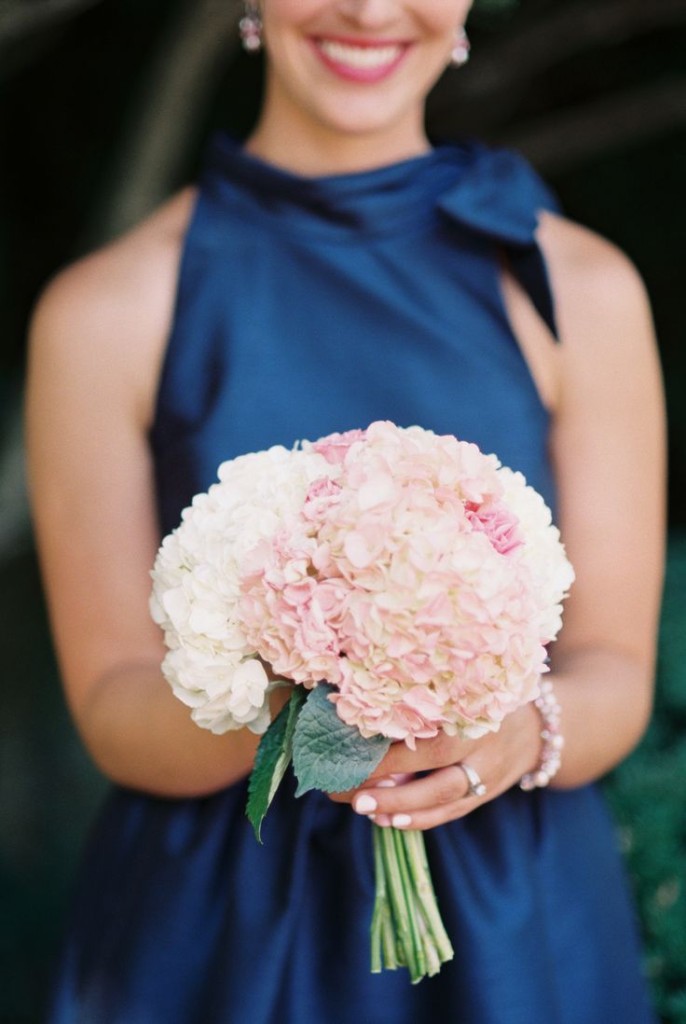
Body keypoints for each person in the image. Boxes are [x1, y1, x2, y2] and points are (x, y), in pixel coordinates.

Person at [27, 1, 665, 1021]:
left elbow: (614, 670)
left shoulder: (575, 287)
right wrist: (309, 703)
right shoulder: (104, 312)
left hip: (507, 916)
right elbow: (112, 703)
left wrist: (512, 733)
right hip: (216, 929)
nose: (368, 9)